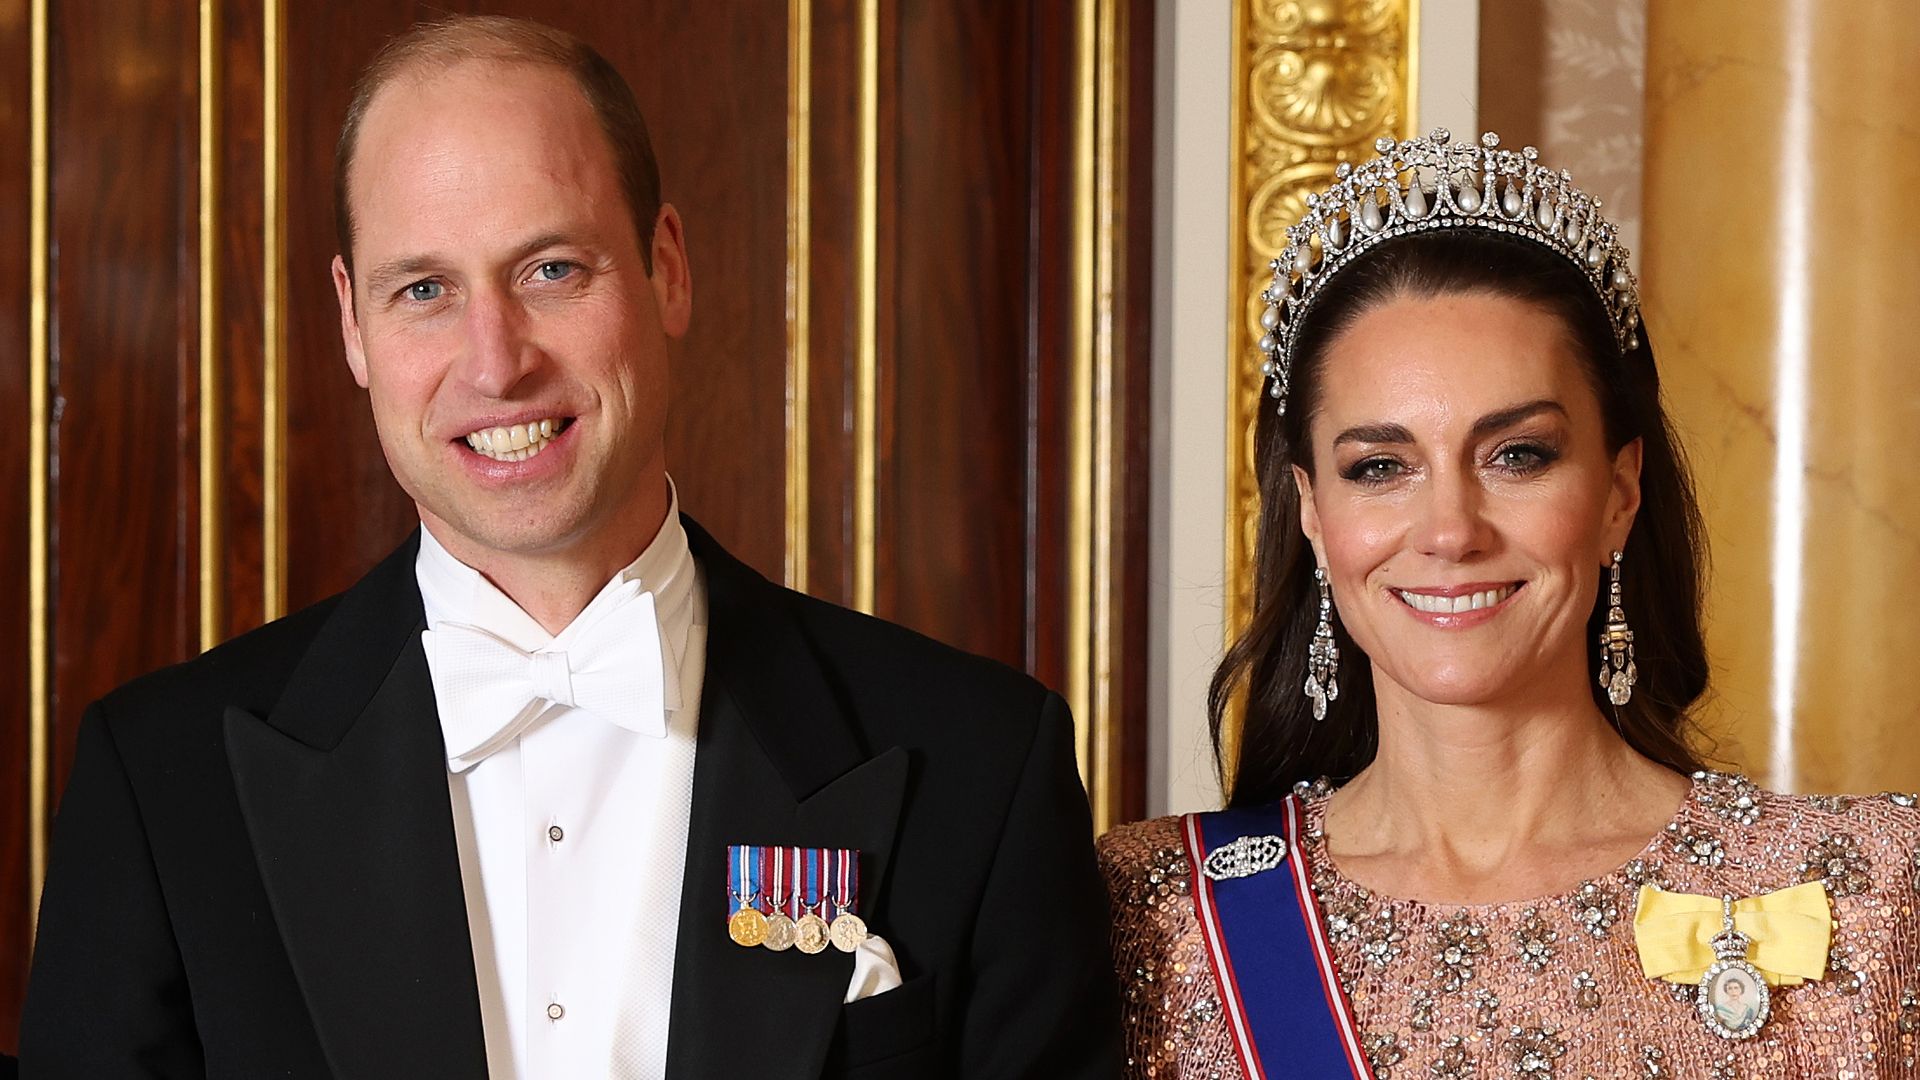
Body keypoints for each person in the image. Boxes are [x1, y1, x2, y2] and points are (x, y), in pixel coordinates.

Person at [21, 16, 1119, 1079]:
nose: (494, 364)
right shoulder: (159, 789)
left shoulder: (981, 763)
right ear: (353, 323)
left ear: (667, 267)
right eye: (425, 290)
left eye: (551, 269)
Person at [1099, 130, 1920, 1077]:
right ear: (1314, 516)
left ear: (1619, 493)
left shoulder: (1868, 890)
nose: (1451, 529)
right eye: (1380, 467)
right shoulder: (1158, 914)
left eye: (1517, 455)